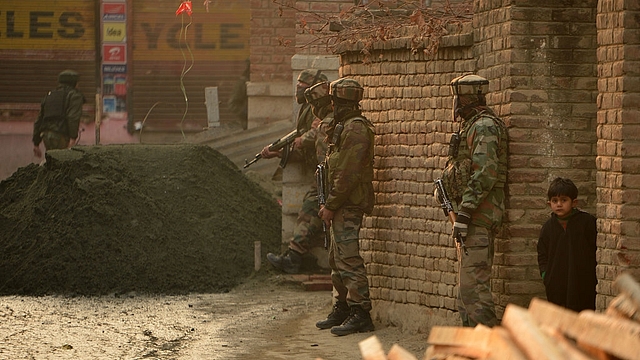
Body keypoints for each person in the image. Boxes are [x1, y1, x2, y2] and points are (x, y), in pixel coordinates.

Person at [439, 74, 508, 327]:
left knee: (474, 291)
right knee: (465, 294)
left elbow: (485, 173)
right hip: (469, 216)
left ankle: (493, 347)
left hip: (479, 216)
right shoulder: (471, 126)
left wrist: (466, 212)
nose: (456, 103)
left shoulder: (484, 126)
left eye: (459, 97)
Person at [316, 78, 375, 336]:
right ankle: (343, 307)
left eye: (335, 101)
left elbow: (348, 174)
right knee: (336, 258)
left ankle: (361, 312)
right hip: (339, 203)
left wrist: (330, 205)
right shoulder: (343, 127)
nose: (332, 106)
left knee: (348, 258)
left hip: (348, 203)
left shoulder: (356, 129)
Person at [264, 69, 329, 274]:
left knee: (310, 210)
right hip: (320, 170)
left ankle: (294, 257)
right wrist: (279, 153)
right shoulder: (308, 109)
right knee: (313, 210)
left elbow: (315, 134)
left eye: (302, 87)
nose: (298, 90)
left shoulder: (324, 108)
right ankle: (299, 256)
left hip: (329, 171)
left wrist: (295, 143)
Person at [537, 177, 597, 312]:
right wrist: (546, 275)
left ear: (574, 202)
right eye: (555, 201)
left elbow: (595, 249)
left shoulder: (587, 223)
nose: (559, 204)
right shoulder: (548, 228)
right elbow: (542, 253)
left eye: (564, 200)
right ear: (549, 204)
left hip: (583, 282)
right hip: (556, 284)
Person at [33, 70, 86, 158]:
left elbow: (39, 119)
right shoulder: (75, 96)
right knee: (64, 163)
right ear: (74, 83)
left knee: (52, 162)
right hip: (61, 136)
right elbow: (73, 117)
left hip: (46, 136)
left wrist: (36, 143)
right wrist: (73, 139)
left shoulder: (50, 95)